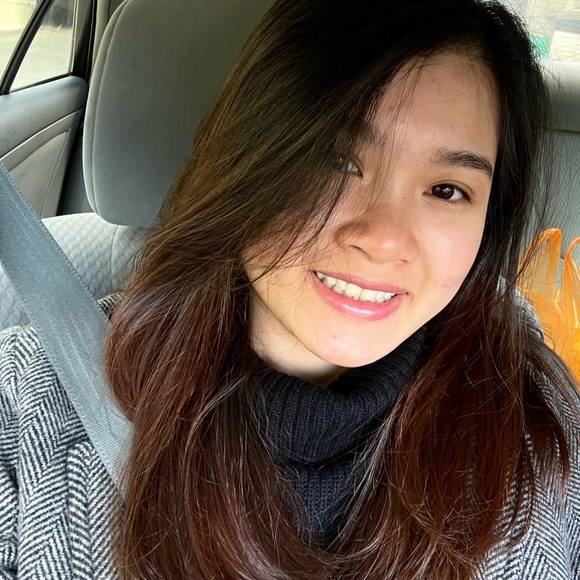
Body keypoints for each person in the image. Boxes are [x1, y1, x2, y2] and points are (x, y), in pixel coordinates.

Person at [1, 0, 578, 578]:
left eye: (447, 190)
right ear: (245, 158)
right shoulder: (27, 405)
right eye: (337, 160)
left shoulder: (541, 427)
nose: (384, 240)